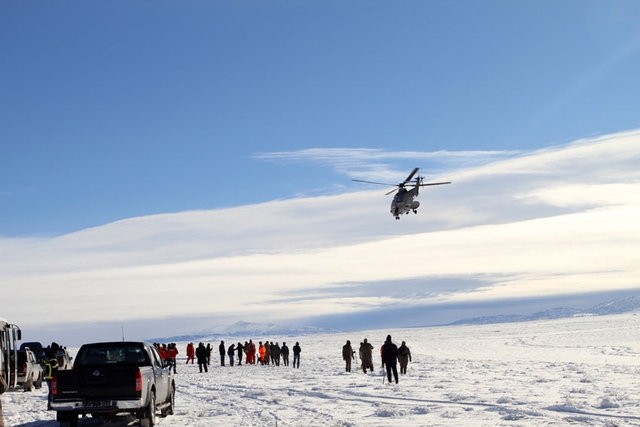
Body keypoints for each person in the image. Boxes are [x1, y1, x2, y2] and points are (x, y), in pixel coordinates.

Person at [43, 343, 60, 409]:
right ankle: (50, 405)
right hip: (51, 376)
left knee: (51, 391)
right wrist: (57, 365)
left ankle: (50, 404)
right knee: (52, 391)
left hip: (48, 375)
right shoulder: (53, 355)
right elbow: (54, 365)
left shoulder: (48, 354)